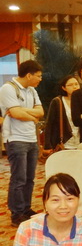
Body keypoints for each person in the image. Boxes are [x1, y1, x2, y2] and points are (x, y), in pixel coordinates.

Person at [0, 59, 44, 227]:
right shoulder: (8, 88)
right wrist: (31, 116)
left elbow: (40, 111)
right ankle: (16, 213)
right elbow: (16, 114)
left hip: (31, 139)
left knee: (29, 178)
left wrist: (23, 111)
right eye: (38, 76)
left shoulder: (32, 90)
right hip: (15, 139)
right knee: (18, 179)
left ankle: (26, 209)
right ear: (29, 75)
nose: (40, 79)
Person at [44, 75, 80, 152]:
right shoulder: (58, 101)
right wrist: (47, 145)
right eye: (70, 85)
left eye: (76, 84)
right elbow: (49, 124)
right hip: (64, 143)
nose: (74, 87)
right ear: (64, 88)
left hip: (81, 142)